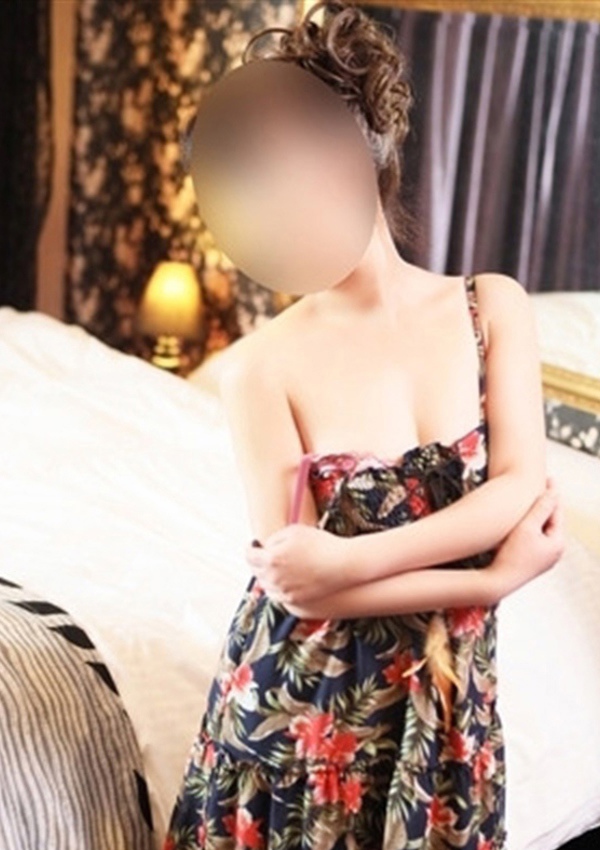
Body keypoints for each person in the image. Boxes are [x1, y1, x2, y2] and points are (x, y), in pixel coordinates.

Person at [163, 2, 564, 849]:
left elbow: (519, 488)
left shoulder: (491, 307)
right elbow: (302, 591)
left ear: (361, 147)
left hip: (446, 711)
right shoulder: (259, 367)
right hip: (300, 723)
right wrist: (486, 582)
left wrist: (350, 558)